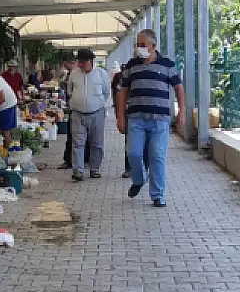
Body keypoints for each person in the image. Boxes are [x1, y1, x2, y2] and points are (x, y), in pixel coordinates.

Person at [115, 29, 186, 207]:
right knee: (133, 153)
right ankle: (139, 179)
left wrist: (182, 111)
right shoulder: (131, 65)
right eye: (137, 45)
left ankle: (157, 195)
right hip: (136, 118)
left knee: (157, 156)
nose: (139, 48)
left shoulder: (167, 65)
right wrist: (120, 116)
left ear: (153, 46)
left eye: (142, 45)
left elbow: (178, 88)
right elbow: (123, 91)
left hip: (160, 119)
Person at [67, 49, 110, 181]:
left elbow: (106, 92)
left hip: (97, 113)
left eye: (82, 62)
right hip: (77, 113)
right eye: (78, 62)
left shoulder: (101, 74)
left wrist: (98, 104)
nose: (79, 64)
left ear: (90, 62)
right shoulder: (74, 74)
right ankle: (78, 171)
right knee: (77, 143)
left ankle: (94, 169)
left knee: (96, 143)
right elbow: (70, 91)